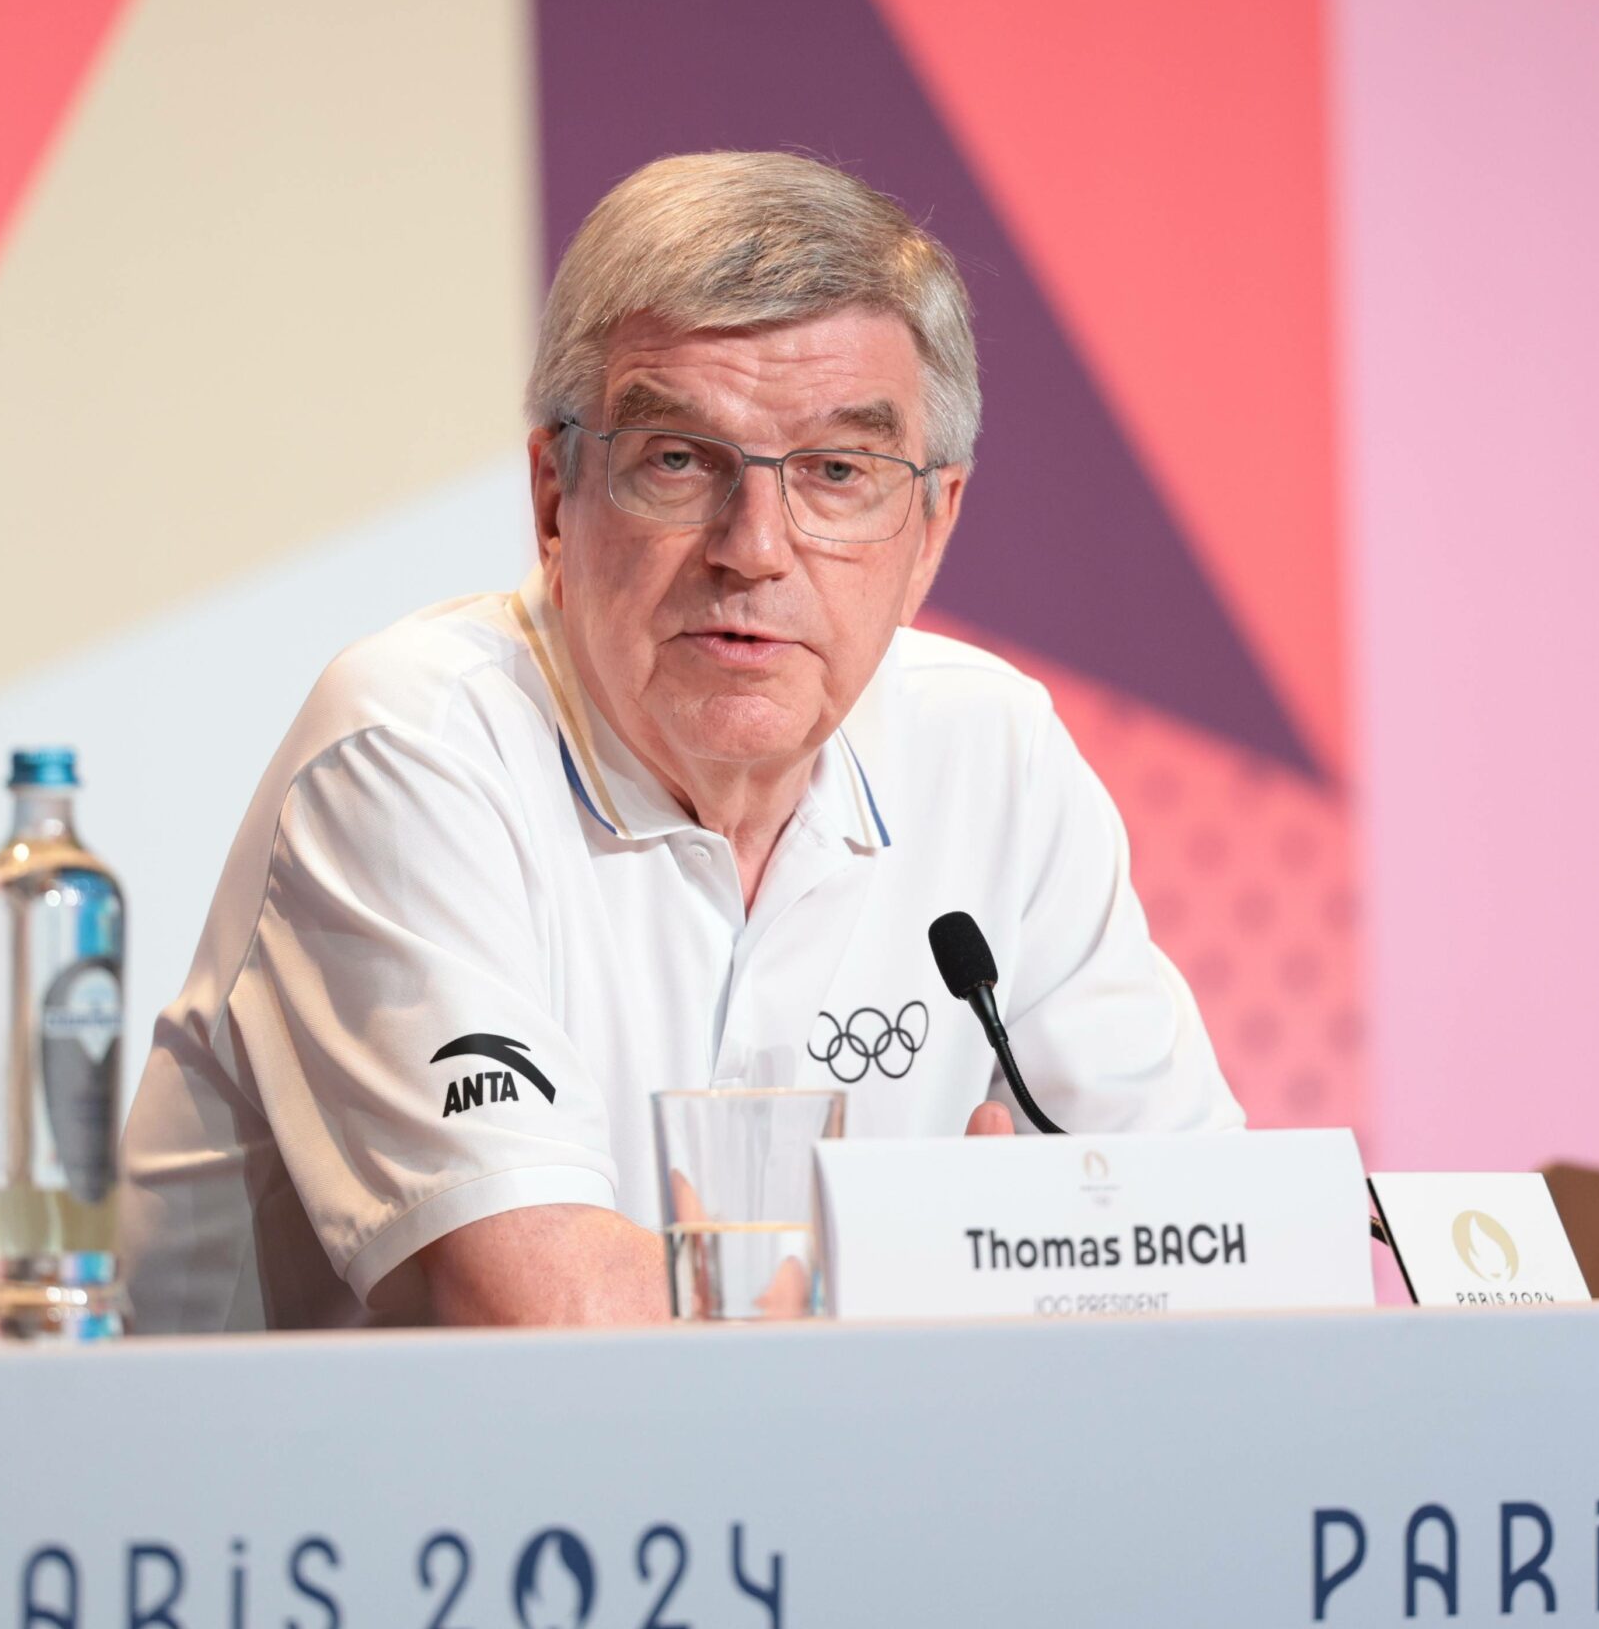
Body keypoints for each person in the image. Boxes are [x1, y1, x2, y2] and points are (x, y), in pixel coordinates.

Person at [118, 151, 1242, 1332]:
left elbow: (1221, 1255)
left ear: (931, 527)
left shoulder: (991, 751)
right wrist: (960, 1268)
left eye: (837, 472)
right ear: (555, 496)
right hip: (291, 1504)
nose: (752, 548)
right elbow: (549, 1319)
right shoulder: (411, 746)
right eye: (677, 461)